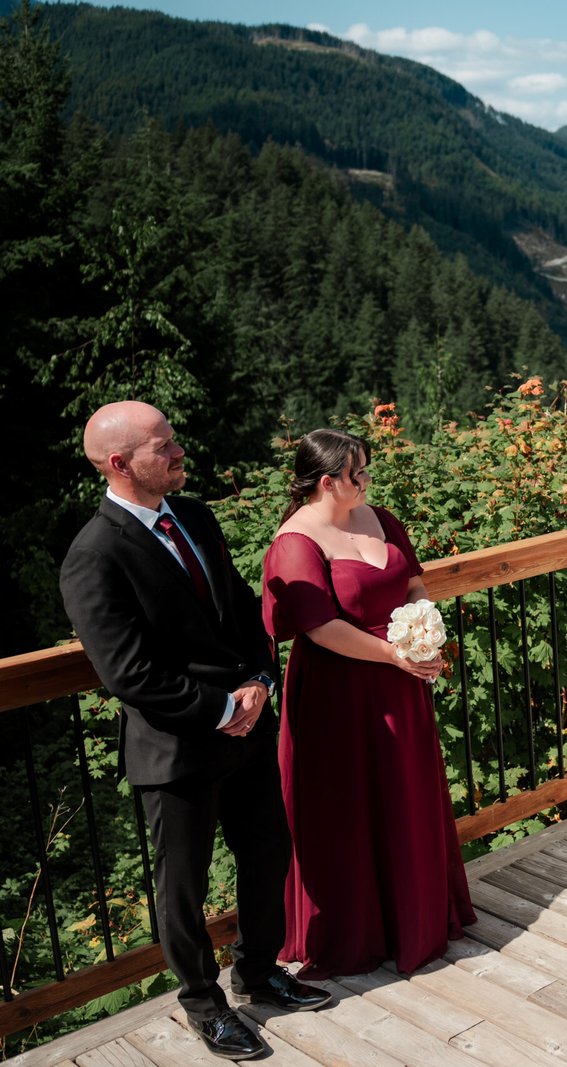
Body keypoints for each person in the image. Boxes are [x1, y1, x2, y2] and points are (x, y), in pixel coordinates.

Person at [59, 402, 330, 1063]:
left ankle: (259, 972)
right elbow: (128, 673)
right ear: (119, 464)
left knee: (268, 852)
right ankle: (205, 1006)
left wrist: (260, 680)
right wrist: (221, 708)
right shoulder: (92, 556)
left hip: (248, 727)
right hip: (177, 747)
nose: (179, 451)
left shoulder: (195, 516)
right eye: (163, 446)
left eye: (173, 439)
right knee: (182, 887)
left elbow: (242, 609)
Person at [260, 429, 475, 979]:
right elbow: (319, 627)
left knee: (405, 794)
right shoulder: (295, 541)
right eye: (357, 473)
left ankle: (414, 919)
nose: (366, 480)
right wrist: (393, 654)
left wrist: (422, 629)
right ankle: (355, 934)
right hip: (339, 691)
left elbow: (414, 583)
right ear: (327, 482)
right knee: (349, 806)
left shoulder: (381, 518)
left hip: (401, 679)